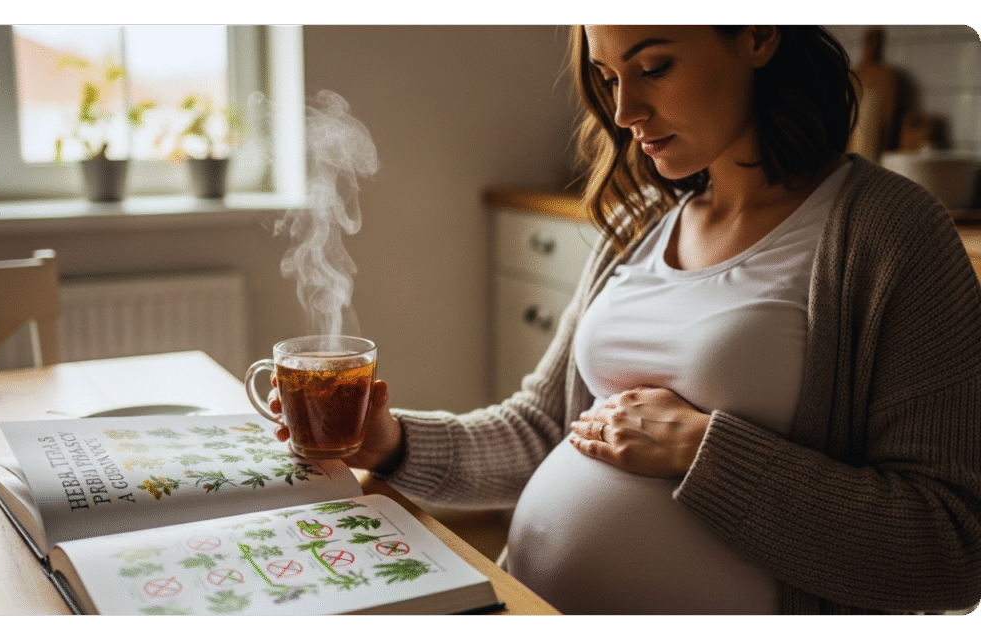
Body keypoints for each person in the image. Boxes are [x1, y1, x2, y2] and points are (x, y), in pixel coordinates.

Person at [269, 25, 981, 614]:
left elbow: (954, 547)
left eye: (655, 67)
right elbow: (541, 430)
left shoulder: (889, 232)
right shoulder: (640, 225)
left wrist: (705, 451)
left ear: (758, 34)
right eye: (609, 78)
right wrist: (390, 443)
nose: (625, 110)